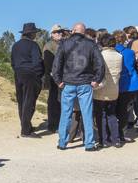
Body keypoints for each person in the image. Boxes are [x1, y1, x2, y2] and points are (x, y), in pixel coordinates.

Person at [52, 23, 105, 151]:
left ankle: (62, 142)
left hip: (68, 83)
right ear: (84, 31)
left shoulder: (64, 44)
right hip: (85, 83)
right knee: (87, 114)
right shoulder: (91, 44)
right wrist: (97, 80)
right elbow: (100, 64)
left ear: (74, 30)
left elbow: (56, 64)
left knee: (66, 113)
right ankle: (89, 144)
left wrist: (58, 81)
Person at [11, 22, 44, 137]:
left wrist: (18, 71)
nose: (35, 35)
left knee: (21, 101)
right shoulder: (33, 45)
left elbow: (13, 63)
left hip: (18, 74)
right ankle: (25, 131)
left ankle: (25, 125)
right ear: (31, 34)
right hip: (30, 75)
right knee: (29, 102)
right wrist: (39, 76)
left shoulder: (15, 45)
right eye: (35, 33)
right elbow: (37, 62)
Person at [94, 33, 124, 148]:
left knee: (100, 115)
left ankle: (104, 140)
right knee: (112, 115)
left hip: (101, 90)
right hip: (114, 89)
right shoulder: (119, 56)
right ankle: (116, 139)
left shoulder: (100, 55)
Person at [114, 30, 138, 142]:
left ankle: (113, 132)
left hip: (115, 84)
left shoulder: (112, 52)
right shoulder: (130, 52)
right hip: (128, 84)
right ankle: (122, 133)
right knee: (124, 110)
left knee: (114, 110)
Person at [42, 24, 66, 132]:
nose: (59, 33)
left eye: (60, 31)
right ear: (52, 34)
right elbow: (47, 63)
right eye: (56, 32)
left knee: (63, 101)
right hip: (54, 78)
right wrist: (53, 75)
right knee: (53, 101)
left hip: (65, 77)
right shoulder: (49, 46)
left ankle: (61, 125)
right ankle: (52, 125)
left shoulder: (65, 44)